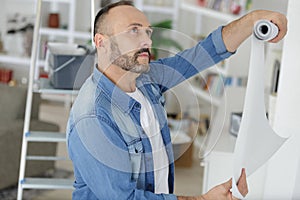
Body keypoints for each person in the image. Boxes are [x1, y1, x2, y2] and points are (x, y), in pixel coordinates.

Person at [66, 1, 287, 200]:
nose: (147, 40)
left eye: (147, 31)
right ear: (101, 42)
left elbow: (204, 53)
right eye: (134, 30)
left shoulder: (146, 80)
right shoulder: (93, 117)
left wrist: (252, 19)